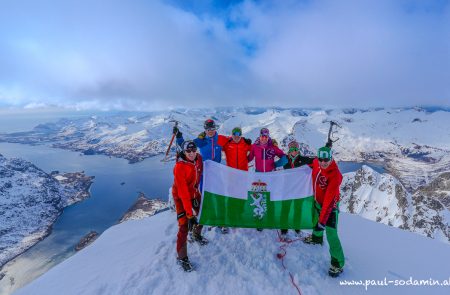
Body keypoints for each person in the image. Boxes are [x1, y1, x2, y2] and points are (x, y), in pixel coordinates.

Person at [303, 146, 345, 277]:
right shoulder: (317, 163)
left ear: (331, 158)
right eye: (320, 159)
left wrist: (323, 221)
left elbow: (329, 201)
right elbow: (311, 162)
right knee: (316, 220)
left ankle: (338, 263)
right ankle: (316, 238)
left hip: (330, 207)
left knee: (331, 233)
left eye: (326, 159)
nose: (323, 162)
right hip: (318, 202)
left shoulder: (335, 176)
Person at [172, 140, 208, 272]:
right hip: (181, 197)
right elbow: (183, 193)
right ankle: (182, 258)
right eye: (188, 151)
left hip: (193, 193)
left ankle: (196, 234)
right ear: (184, 152)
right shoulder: (179, 167)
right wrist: (189, 214)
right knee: (184, 226)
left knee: (204, 212)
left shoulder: (199, 158)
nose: (192, 153)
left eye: (194, 150)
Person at [248, 128, 286, 231]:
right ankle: (259, 219)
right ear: (259, 136)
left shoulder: (273, 147)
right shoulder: (254, 146)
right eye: (262, 136)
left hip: (270, 176)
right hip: (259, 176)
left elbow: (284, 158)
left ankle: (270, 218)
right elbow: (249, 158)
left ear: (268, 137)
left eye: (266, 136)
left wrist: (276, 164)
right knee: (259, 197)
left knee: (270, 197)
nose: (264, 138)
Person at [279, 140, 314, 240]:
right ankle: (284, 230)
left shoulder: (303, 159)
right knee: (285, 210)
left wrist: (327, 148)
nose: (294, 151)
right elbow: (274, 165)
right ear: (289, 150)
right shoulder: (284, 160)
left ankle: (297, 228)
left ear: (298, 150)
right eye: (292, 149)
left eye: (296, 149)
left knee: (297, 210)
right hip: (287, 189)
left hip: (299, 191)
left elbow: (317, 161)